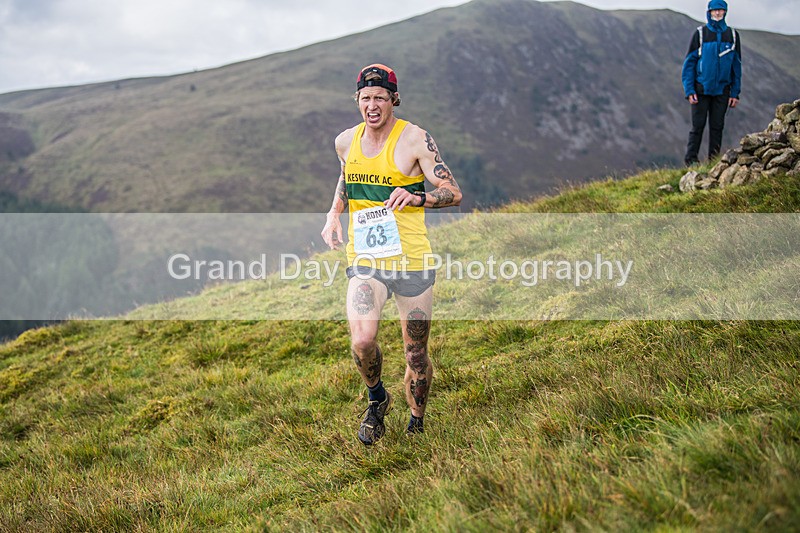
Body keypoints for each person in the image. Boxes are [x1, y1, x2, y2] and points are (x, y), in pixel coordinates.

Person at [321, 63, 462, 445]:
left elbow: (453, 190)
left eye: (380, 98)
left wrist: (420, 197)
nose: (372, 105)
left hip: (412, 259)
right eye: (365, 98)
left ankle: (416, 424)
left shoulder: (415, 139)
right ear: (357, 100)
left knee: (416, 354)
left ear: (393, 100)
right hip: (367, 259)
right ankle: (376, 398)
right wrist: (334, 213)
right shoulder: (345, 142)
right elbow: (346, 176)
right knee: (362, 341)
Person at [681, 0, 742, 166]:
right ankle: (691, 160)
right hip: (700, 89)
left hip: (722, 90)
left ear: (725, 12)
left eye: (720, 10)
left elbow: (736, 66)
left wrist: (735, 93)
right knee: (697, 127)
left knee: (717, 127)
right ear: (709, 12)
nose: (717, 13)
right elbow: (689, 64)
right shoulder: (700, 34)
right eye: (714, 10)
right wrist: (689, 90)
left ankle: (713, 162)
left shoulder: (733, 35)